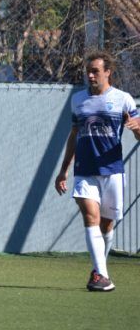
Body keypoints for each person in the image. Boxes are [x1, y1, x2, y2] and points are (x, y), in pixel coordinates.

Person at [55, 51, 140, 292]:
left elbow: (139, 128)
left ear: (107, 72)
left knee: (106, 226)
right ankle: (102, 275)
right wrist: (63, 171)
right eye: (88, 71)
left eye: (95, 71)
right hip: (85, 170)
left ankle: (99, 269)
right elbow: (74, 135)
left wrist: (136, 128)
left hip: (112, 171)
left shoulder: (123, 99)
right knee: (89, 215)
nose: (90, 75)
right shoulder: (78, 100)